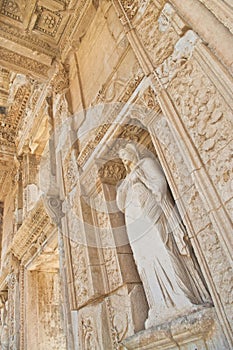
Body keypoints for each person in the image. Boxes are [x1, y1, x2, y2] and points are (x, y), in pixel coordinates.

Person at [116, 143, 212, 327]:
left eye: (126, 157)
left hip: (151, 212)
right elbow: (120, 203)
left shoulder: (144, 164)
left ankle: (181, 295)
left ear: (133, 153)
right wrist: (127, 183)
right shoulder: (127, 179)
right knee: (145, 259)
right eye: (122, 160)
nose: (125, 162)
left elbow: (160, 184)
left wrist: (141, 179)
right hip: (135, 221)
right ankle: (159, 303)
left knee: (163, 247)